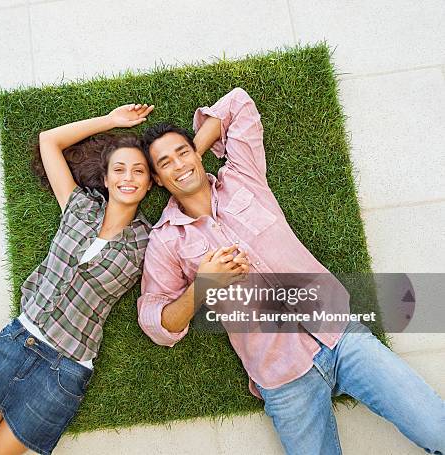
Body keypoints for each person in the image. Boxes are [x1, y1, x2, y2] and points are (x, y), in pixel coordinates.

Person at [137, 87, 445, 454]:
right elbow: (156, 321)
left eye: (182, 152)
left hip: (341, 335)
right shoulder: (167, 240)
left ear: (198, 153)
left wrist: (190, 159)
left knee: (438, 428)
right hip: (281, 376)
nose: (178, 164)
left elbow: (238, 102)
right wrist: (203, 286)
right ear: (156, 179)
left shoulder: (242, 177)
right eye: (165, 164)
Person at [0, 103, 155, 455]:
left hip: (64, 372)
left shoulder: (149, 242)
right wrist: (110, 120)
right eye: (119, 169)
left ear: (149, 182)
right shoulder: (79, 206)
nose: (128, 177)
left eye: (138, 171)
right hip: (15, 345)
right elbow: (49, 141)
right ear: (105, 178)